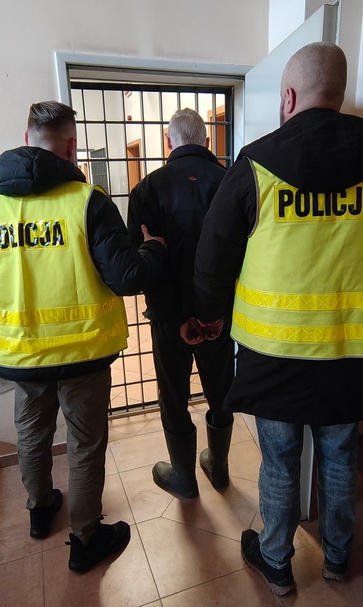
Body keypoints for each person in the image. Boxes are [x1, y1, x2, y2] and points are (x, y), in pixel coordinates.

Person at [189, 43, 363, 595]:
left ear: (289, 96)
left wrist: (207, 317)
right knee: (341, 455)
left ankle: (276, 560)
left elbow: (213, 255)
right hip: (354, 350)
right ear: (339, 94)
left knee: (279, 460)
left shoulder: (254, 166)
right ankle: (338, 557)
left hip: (275, 355)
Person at [0, 100, 166, 574]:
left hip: (19, 355)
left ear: (26, 140)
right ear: (71, 146)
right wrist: (153, 249)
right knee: (85, 444)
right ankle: (85, 538)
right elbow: (127, 276)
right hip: (83, 353)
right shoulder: (88, 202)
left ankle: (40, 509)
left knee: (31, 434)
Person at [127, 108, 235, 499]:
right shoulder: (230, 182)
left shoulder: (146, 190)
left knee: (173, 395)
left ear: (168, 142)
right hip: (219, 317)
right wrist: (214, 313)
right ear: (206, 141)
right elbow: (243, 255)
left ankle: (184, 479)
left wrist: (175, 317)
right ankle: (219, 469)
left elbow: (140, 264)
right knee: (221, 391)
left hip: (169, 318)